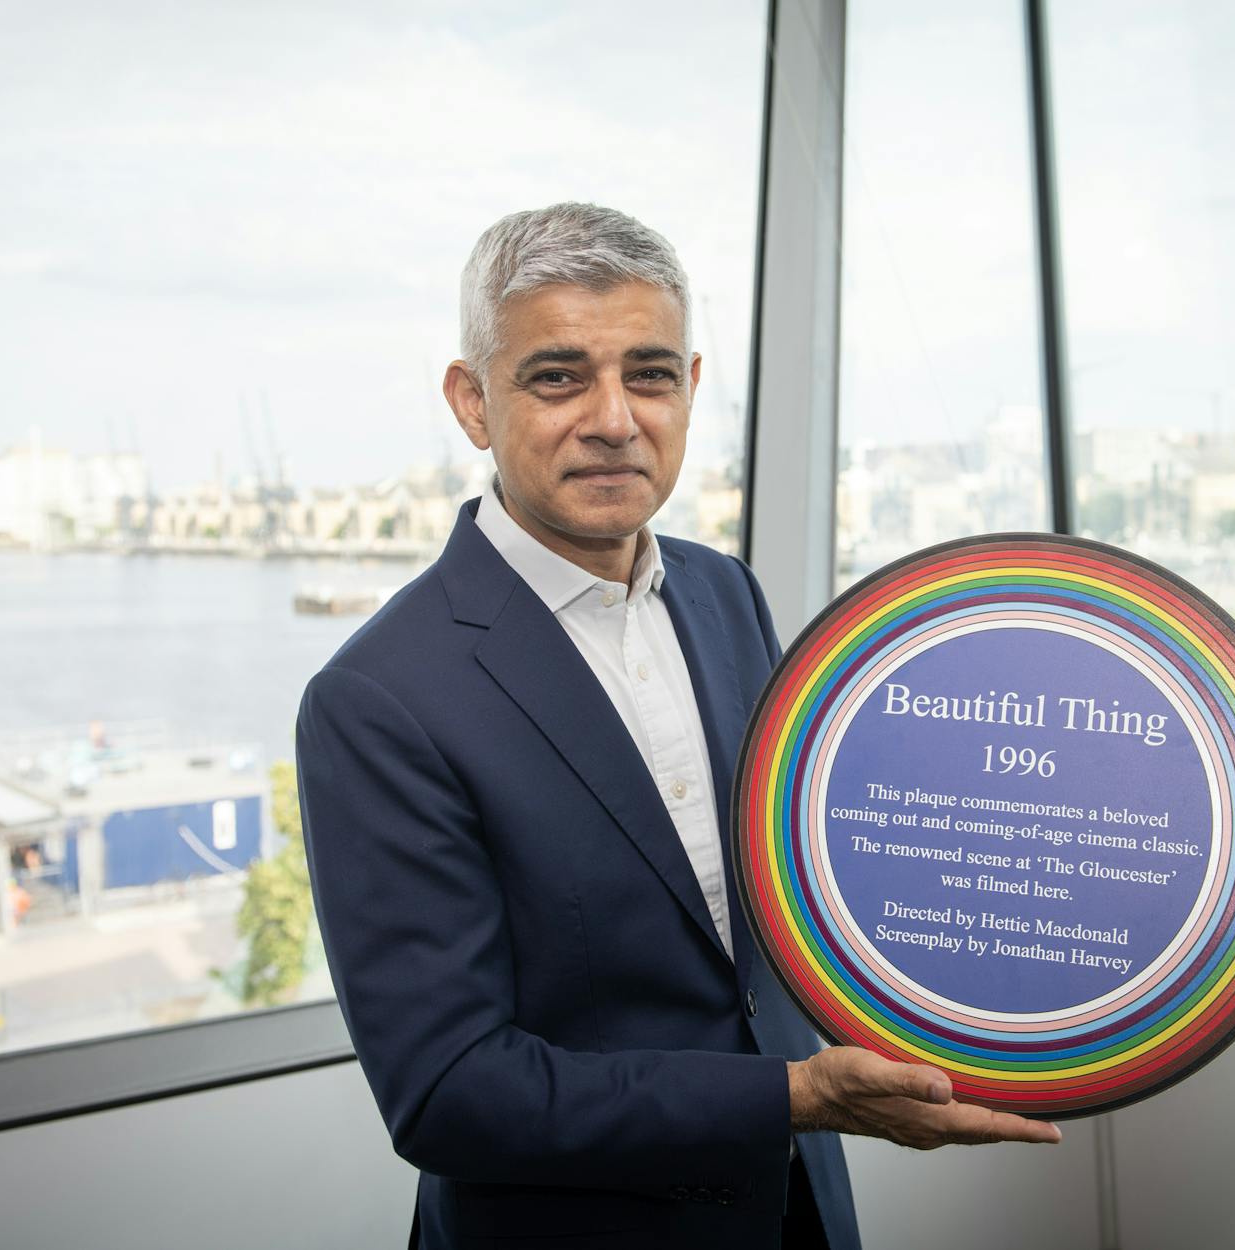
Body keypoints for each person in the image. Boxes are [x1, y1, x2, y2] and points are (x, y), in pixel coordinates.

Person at [294, 202, 1061, 1250]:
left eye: (649, 374)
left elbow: (799, 895)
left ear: (691, 389)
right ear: (472, 401)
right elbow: (449, 1090)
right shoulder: (379, 700)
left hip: (797, 1212)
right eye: (558, 375)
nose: (615, 418)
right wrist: (792, 1097)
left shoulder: (725, 593)